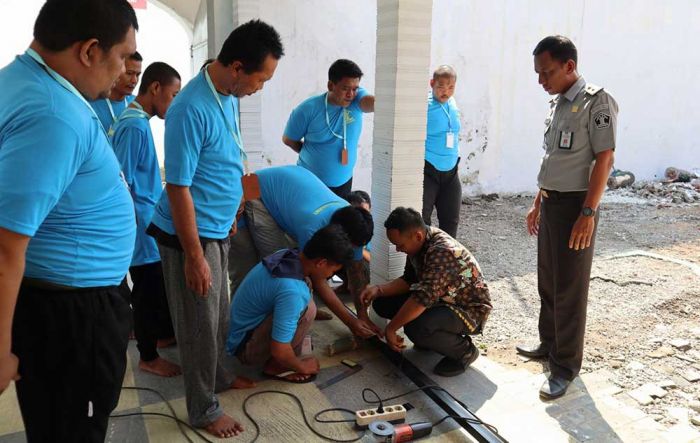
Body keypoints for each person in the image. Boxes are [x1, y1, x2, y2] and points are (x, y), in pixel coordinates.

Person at [0, 1, 138, 441]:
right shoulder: (53, 115)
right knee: (73, 429)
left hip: (65, 303)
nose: (122, 72)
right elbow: (5, 248)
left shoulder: (23, 81)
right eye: (121, 57)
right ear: (90, 50)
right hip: (74, 318)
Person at [147, 20, 284, 439]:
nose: (260, 88)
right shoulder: (190, 108)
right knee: (198, 327)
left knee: (218, 317)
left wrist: (235, 206)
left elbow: (226, 156)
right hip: (190, 235)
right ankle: (203, 409)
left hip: (219, 228)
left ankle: (219, 379)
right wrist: (193, 256)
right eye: (261, 78)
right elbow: (178, 186)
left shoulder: (226, 92)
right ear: (238, 67)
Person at [516, 35, 618, 400]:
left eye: (546, 72)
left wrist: (588, 213)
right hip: (551, 202)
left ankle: (565, 367)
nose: (541, 80)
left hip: (577, 205)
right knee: (548, 279)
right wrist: (537, 202)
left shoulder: (597, 101)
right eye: (538, 73)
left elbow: (604, 159)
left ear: (569, 66)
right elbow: (552, 160)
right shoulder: (557, 103)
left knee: (570, 289)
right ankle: (548, 343)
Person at [228, 165, 379, 338]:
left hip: (284, 189)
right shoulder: (313, 228)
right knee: (279, 268)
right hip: (256, 193)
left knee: (292, 273)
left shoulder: (354, 221)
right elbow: (317, 277)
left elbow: (356, 269)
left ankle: (299, 311)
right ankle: (249, 334)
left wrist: (362, 315)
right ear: (337, 234)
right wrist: (350, 321)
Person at [111, 62, 182, 377]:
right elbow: (120, 178)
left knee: (154, 286)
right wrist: (135, 224)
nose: (176, 101)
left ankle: (159, 338)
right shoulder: (134, 125)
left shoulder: (137, 120)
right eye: (174, 93)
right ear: (156, 88)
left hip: (147, 217)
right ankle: (148, 356)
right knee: (146, 290)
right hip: (140, 223)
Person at [361, 207, 492, 377]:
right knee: (382, 302)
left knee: (416, 327)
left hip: (468, 310)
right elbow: (409, 280)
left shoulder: (442, 252)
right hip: (444, 299)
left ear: (417, 236)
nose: (398, 250)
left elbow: (422, 299)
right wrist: (378, 290)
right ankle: (432, 339)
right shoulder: (419, 243)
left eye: (400, 245)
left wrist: (391, 329)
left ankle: (464, 351)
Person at [227, 225, 354, 383]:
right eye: (333, 271)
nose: (330, 275)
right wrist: (301, 366)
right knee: (306, 309)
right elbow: (279, 349)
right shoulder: (292, 291)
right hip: (244, 349)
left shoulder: (288, 255)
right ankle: (275, 367)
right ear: (321, 263)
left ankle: (288, 352)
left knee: (305, 291)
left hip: (236, 334)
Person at [282, 59, 375, 198]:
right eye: (345, 88)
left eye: (355, 88)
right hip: (310, 183)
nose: (350, 94)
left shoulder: (356, 100)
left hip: (344, 182)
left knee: (340, 219)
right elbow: (288, 139)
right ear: (331, 85)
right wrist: (313, 154)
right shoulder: (307, 109)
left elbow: (373, 103)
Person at [422, 65, 462, 238]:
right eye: (441, 86)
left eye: (450, 87)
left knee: (451, 221)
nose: (446, 91)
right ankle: (422, 261)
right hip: (429, 170)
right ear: (432, 83)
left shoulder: (452, 102)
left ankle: (447, 260)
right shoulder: (425, 105)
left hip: (451, 171)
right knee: (422, 221)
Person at [90, 51, 142, 134]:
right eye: (129, 73)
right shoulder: (92, 102)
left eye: (138, 75)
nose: (134, 80)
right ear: (118, 69)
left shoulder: (138, 104)